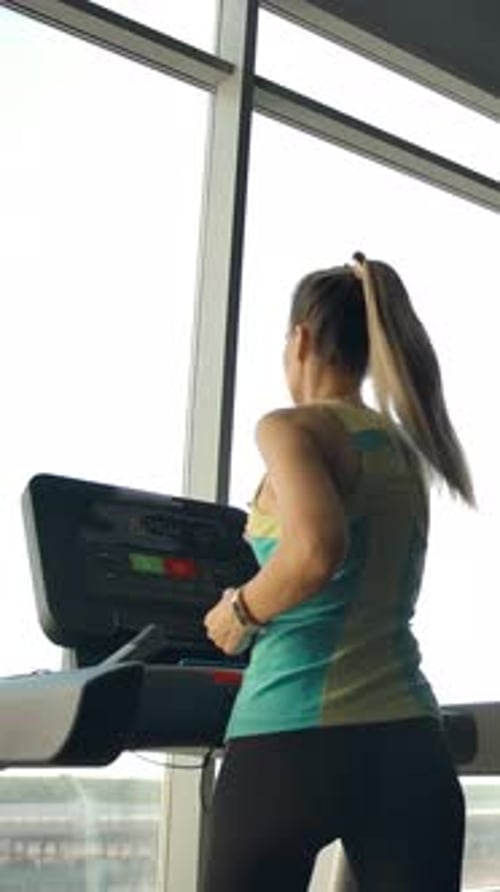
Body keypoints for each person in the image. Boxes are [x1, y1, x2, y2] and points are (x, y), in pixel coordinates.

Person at [202, 253, 474, 892]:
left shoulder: (292, 428)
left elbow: (315, 548)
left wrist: (237, 611)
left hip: (291, 739)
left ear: (298, 339)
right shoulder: (406, 450)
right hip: (410, 743)